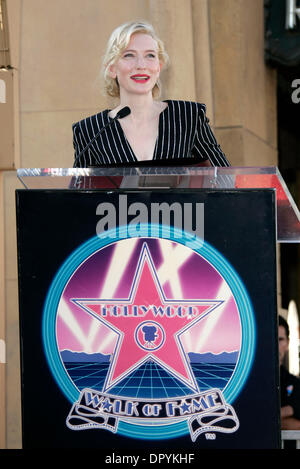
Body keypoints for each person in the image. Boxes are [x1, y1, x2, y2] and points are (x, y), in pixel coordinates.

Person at [72, 20, 230, 168]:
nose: (141, 65)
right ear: (112, 68)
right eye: (129, 55)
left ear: (158, 67)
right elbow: (80, 195)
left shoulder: (189, 116)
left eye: (150, 55)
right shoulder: (90, 130)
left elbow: (225, 179)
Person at [278, 315, 300, 430]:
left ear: (287, 343)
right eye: (271, 339)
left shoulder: (295, 383)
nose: (275, 345)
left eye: (280, 339)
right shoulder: (252, 381)